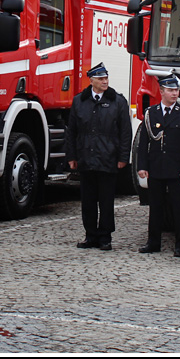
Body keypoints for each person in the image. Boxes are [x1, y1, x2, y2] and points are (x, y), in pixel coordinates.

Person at [66, 62, 132, 251]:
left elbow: (125, 132)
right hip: (86, 158)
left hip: (108, 158)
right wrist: (72, 156)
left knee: (106, 200)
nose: (105, 81)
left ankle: (105, 236)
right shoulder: (80, 101)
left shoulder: (117, 101)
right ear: (91, 80)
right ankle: (90, 235)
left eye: (106, 78)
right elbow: (72, 131)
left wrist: (123, 157)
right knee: (87, 201)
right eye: (101, 78)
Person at [137, 76, 180, 258]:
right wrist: (142, 165)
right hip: (156, 167)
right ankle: (153, 242)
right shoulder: (151, 113)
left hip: (177, 169)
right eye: (170, 90)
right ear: (161, 92)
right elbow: (143, 142)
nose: (174, 93)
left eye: (176, 91)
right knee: (156, 208)